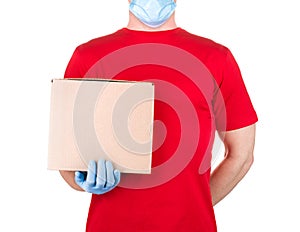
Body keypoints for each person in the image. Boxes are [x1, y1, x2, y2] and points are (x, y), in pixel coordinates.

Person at [59, 0, 258, 231]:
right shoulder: (87, 57)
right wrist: (83, 179)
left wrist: (196, 207)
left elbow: (242, 155)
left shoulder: (216, 58)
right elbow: (65, 160)